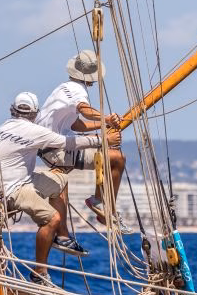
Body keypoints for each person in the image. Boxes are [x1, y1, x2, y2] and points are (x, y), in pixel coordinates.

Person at [0, 91, 120, 278]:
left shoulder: (3, 127)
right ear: (35, 113)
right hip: (13, 189)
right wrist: (103, 140)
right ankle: (40, 272)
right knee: (52, 219)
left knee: (61, 179)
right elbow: (67, 143)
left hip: (17, 180)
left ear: (13, 110)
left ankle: (62, 236)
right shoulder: (33, 131)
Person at [36, 49, 128, 235]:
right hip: (56, 150)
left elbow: (76, 124)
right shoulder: (77, 90)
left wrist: (104, 126)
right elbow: (84, 109)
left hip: (50, 146)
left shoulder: (63, 89)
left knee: (109, 151)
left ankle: (71, 227)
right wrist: (106, 119)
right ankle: (100, 204)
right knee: (117, 158)